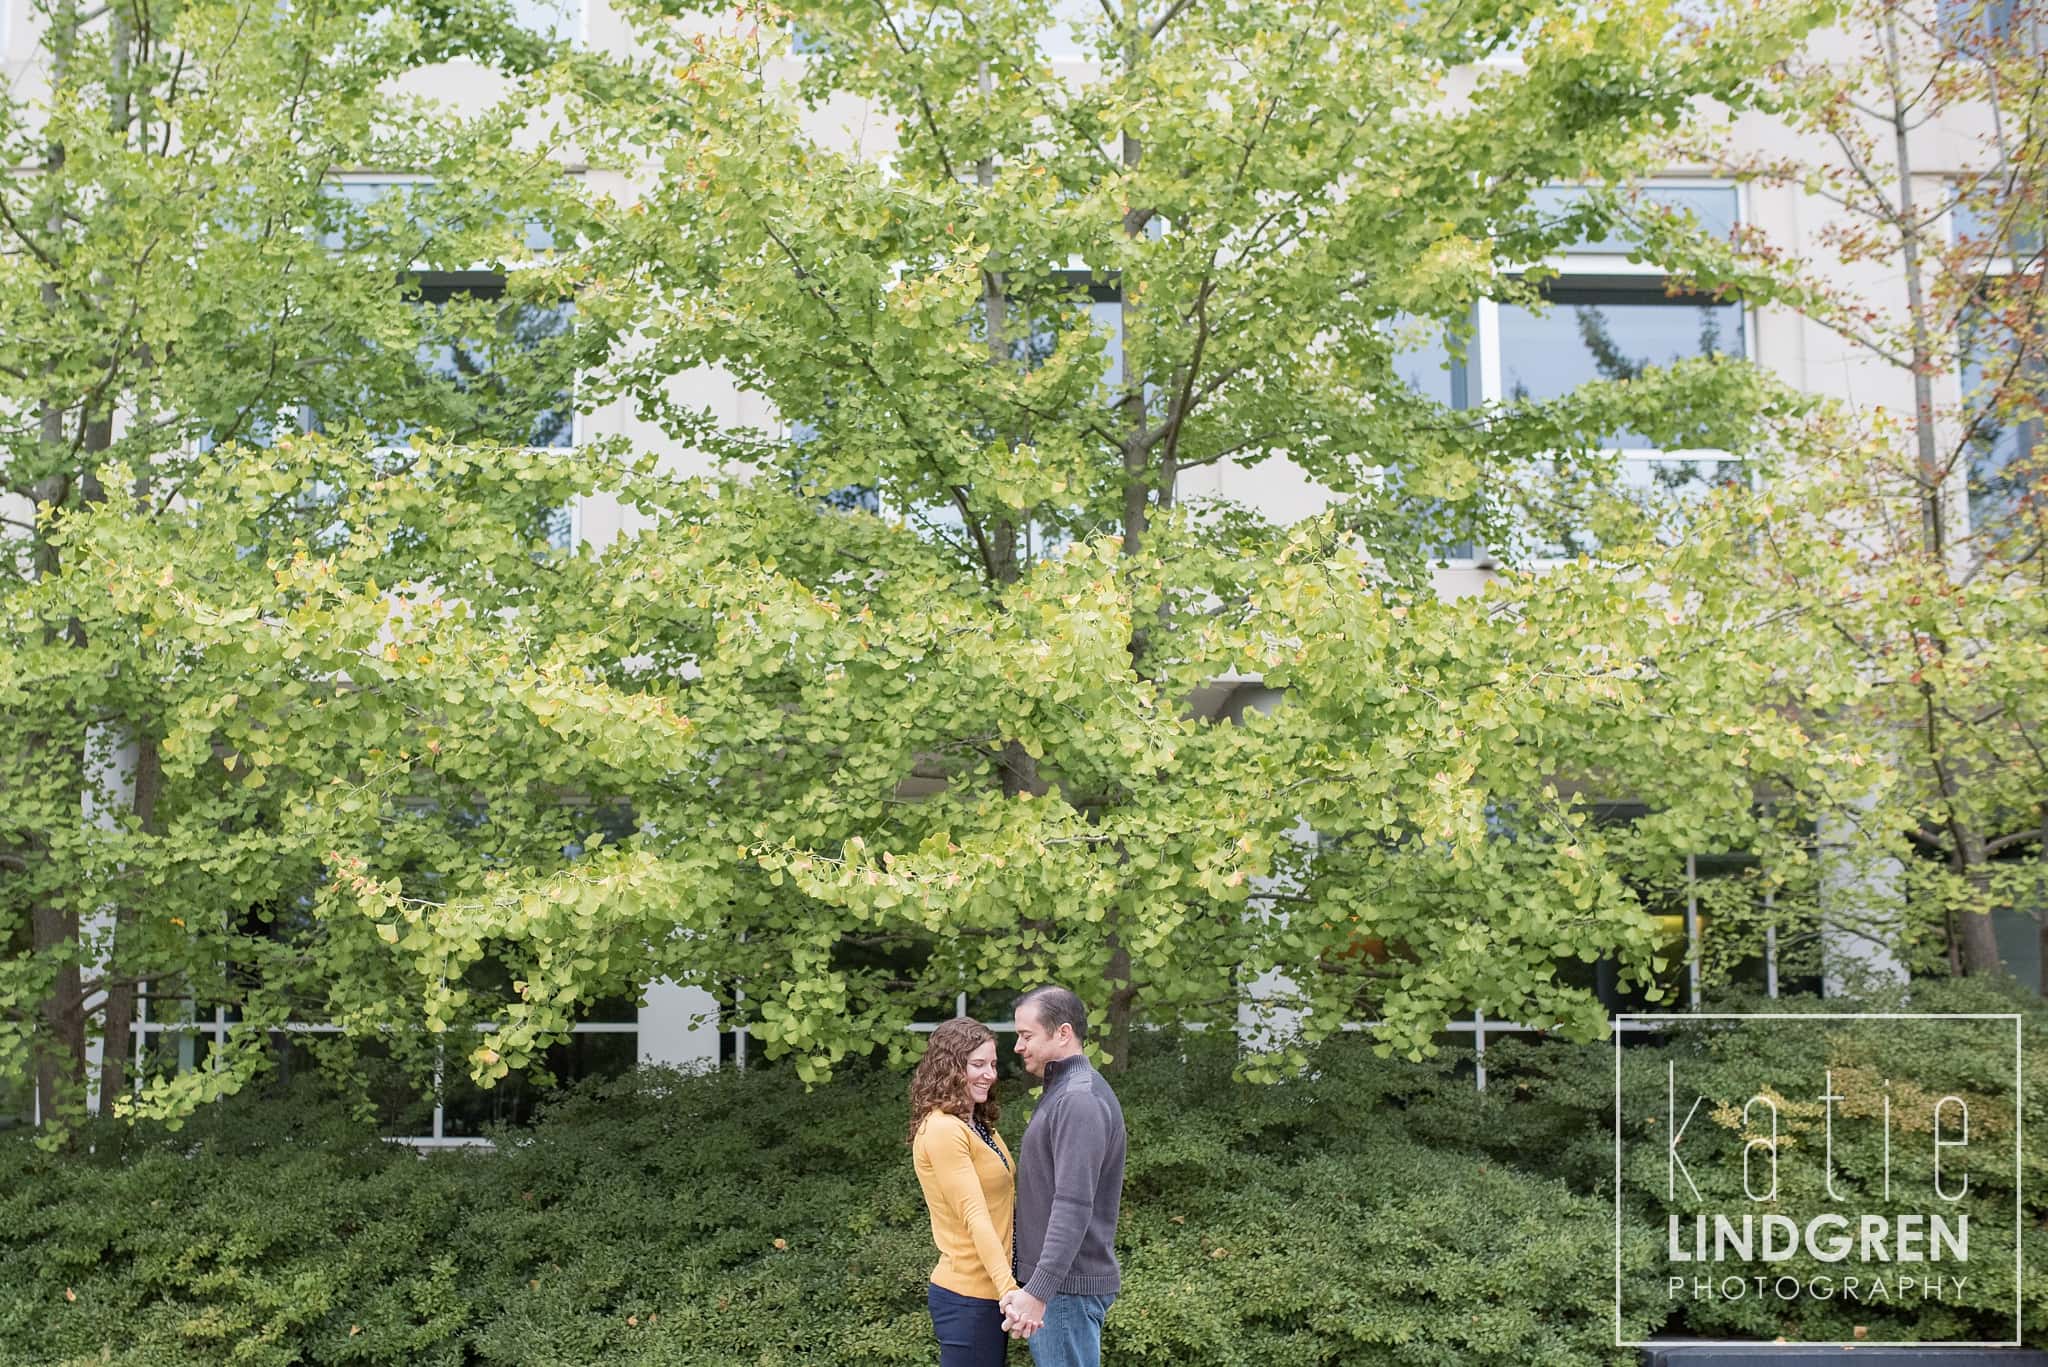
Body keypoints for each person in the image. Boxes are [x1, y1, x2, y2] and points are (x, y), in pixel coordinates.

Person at [1000, 985, 1126, 1367]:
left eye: (1026, 1036)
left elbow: (1072, 1205)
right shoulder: (1064, 1092)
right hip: (1060, 1290)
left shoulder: (1078, 1099)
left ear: (1063, 1033)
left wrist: (1038, 1291)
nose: (1019, 1047)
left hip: (1064, 1292)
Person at [910, 1016, 1019, 1367]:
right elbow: (975, 1214)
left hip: (988, 1296)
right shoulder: (942, 1130)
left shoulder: (977, 1126)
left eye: (993, 1064)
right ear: (950, 1067)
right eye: (978, 1064)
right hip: (968, 1296)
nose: (990, 1073)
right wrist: (1009, 1290)